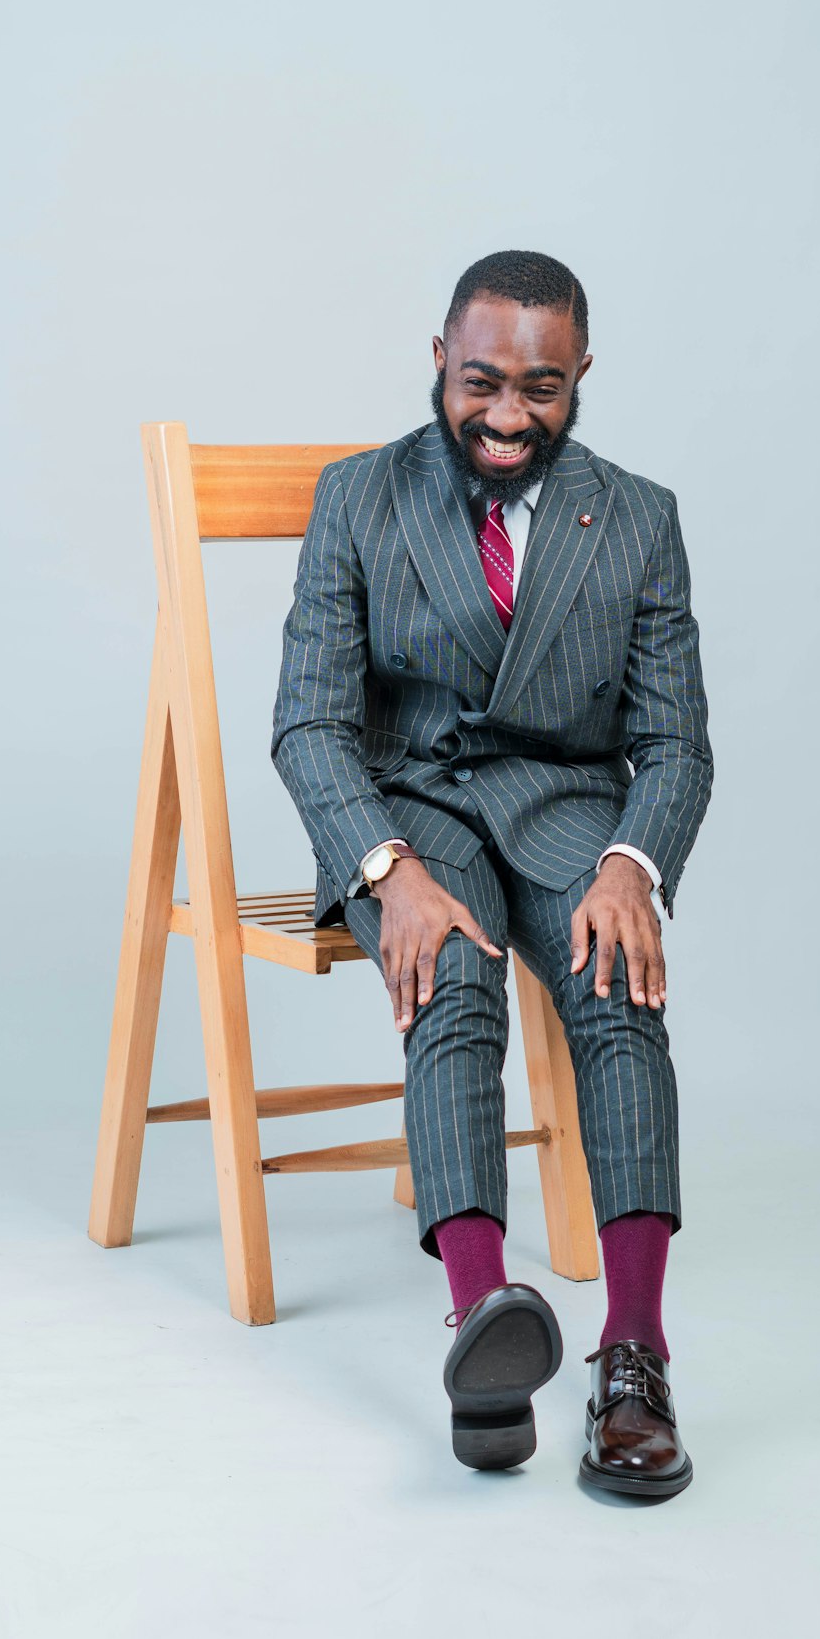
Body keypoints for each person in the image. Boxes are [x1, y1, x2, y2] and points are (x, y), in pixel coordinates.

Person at [272, 250, 714, 1495]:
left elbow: (673, 740)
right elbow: (309, 720)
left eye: (541, 388)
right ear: (438, 363)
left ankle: (634, 1356)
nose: (507, 417)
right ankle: (484, 1326)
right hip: (402, 808)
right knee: (450, 980)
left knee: (619, 981)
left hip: (565, 807)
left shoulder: (635, 515)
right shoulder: (358, 497)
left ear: (579, 380)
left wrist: (635, 861)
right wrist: (383, 867)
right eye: (480, 383)